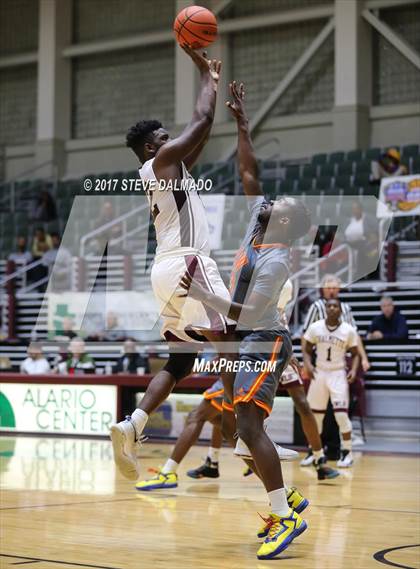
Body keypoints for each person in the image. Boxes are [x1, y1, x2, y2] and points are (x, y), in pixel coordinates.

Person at [180, 82, 311, 560]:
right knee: (240, 434)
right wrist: (242, 124)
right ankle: (289, 498)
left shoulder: (277, 260)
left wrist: (202, 295)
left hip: (264, 339)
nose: (273, 200)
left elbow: (251, 313)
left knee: (251, 428)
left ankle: (285, 514)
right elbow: (249, 172)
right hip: (240, 341)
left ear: (286, 222)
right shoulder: (260, 222)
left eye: (283, 205)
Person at [110, 46, 239, 483]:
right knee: (230, 337)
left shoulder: (168, 168)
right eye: (164, 137)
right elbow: (200, 122)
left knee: (180, 363)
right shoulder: (159, 162)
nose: (170, 141)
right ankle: (244, 432)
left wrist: (225, 113)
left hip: (165, 271)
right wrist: (208, 76)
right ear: (151, 147)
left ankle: (134, 424)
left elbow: (201, 134)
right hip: (188, 263)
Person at [276, 280, 339, 481]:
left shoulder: (279, 308)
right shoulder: (258, 297)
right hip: (259, 355)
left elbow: (283, 329)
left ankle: (319, 460)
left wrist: (290, 352)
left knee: (304, 405)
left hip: (282, 356)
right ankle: (219, 457)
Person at [136, 379, 224, 490]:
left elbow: (222, 361)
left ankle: (168, 473)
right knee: (218, 418)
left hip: (236, 376)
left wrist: (199, 366)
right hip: (242, 377)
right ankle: (213, 462)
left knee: (196, 416)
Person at [302, 299, 360, 468]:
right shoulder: (315, 327)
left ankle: (347, 453)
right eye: (329, 306)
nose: (332, 308)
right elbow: (306, 348)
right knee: (315, 417)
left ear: (341, 310)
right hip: (319, 373)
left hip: (337, 373)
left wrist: (354, 370)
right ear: (325, 309)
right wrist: (308, 364)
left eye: (336, 306)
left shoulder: (348, 330)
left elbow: (356, 353)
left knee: (341, 415)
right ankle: (314, 452)